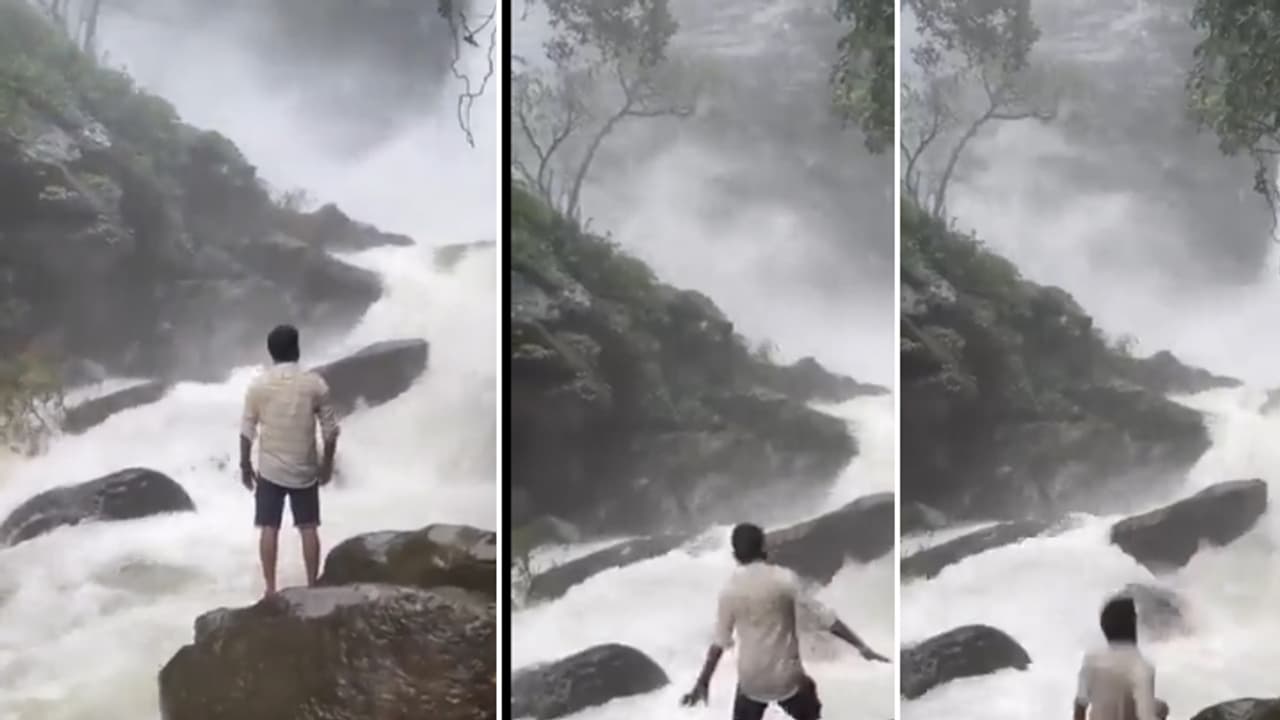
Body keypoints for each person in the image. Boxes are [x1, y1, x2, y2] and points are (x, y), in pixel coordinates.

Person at [680, 523, 889, 720]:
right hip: (787, 679)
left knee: (746, 696)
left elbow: (719, 642)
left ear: (735, 555)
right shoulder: (784, 579)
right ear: (764, 548)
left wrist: (702, 683)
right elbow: (825, 617)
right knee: (808, 695)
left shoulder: (730, 590)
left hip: (752, 682)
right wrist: (862, 647)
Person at [239, 324, 340, 596]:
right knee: (309, 527)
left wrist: (245, 465)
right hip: (304, 468)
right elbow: (331, 432)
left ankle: (270, 589)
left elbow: (247, 429)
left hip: (270, 470)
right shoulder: (314, 384)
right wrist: (327, 464)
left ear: (270, 353)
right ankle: (312, 586)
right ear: (297, 349)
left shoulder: (258, 386)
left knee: (268, 527)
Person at [1073, 595, 1170, 720]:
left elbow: (1080, 706)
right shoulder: (1141, 666)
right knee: (1162, 708)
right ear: (1132, 623)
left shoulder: (1091, 660)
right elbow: (1145, 716)